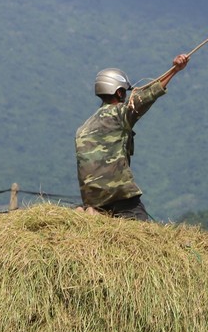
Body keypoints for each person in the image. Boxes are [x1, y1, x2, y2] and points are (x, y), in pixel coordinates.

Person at [74, 53, 190, 220]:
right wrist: (175, 70)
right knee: (147, 238)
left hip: (94, 202)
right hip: (121, 198)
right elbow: (147, 96)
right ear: (120, 93)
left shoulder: (83, 128)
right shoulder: (119, 114)